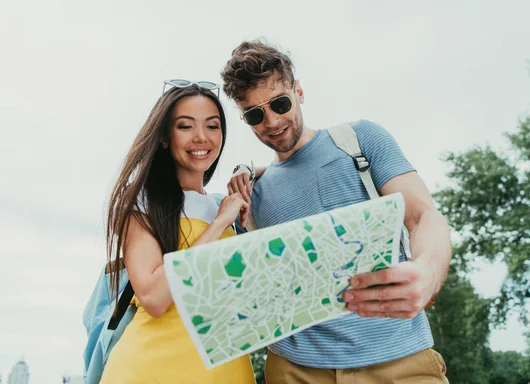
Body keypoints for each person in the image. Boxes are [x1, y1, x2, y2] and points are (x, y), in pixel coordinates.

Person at [223, 41, 452, 383]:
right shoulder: (251, 194)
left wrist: (428, 272)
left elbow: (422, 216)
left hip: (399, 360)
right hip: (295, 370)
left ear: (298, 91)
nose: (271, 121)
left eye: (280, 103)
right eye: (255, 115)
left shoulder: (360, 139)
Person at [101, 82, 256, 384]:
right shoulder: (143, 202)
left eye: (213, 126)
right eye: (185, 126)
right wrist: (219, 223)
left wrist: (247, 173)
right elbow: (155, 297)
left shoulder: (224, 209)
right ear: (163, 138)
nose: (201, 137)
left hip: (227, 372)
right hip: (153, 369)